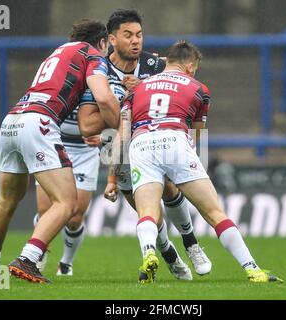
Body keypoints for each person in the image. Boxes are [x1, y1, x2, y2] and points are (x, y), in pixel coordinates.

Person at [119, 40, 283, 284]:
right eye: (194, 68)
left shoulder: (137, 89)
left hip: (140, 144)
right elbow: (196, 133)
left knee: (148, 213)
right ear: (189, 65)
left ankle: (149, 253)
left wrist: (114, 176)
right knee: (214, 212)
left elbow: (122, 133)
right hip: (174, 139)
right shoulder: (198, 88)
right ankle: (253, 269)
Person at [0, 20, 120, 284]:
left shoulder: (57, 52)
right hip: (39, 123)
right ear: (101, 42)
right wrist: (121, 119)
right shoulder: (93, 54)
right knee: (66, 203)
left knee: (7, 200)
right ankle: (28, 258)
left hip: (12, 120)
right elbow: (103, 97)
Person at [81, 9, 211, 280]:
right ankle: (169, 254)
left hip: (152, 138)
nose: (135, 41)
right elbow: (87, 124)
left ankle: (192, 243)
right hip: (119, 146)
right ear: (112, 40)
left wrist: (144, 88)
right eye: (127, 35)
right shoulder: (98, 71)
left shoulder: (154, 65)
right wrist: (115, 116)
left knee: (171, 188)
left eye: (139, 34)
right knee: (147, 211)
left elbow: (181, 87)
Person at [32, 21, 109, 277]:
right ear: (100, 43)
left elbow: (112, 111)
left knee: (75, 215)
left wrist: (105, 134)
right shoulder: (66, 66)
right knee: (47, 210)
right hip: (56, 142)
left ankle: (66, 262)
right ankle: (36, 256)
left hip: (85, 152)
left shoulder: (102, 72)